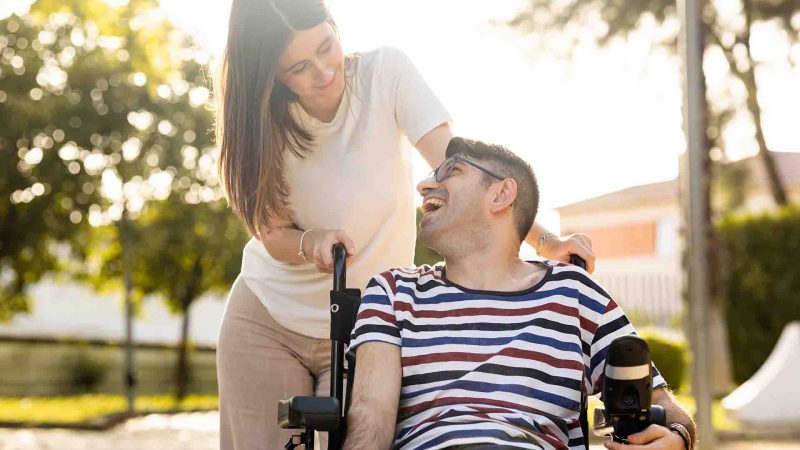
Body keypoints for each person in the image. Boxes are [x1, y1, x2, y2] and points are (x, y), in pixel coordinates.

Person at [214, 1, 596, 448]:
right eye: (299, 67)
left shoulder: (385, 74)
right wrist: (309, 241)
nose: (323, 71)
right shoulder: (260, 123)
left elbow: (462, 169)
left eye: (326, 45)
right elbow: (270, 232)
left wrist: (545, 241)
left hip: (368, 327)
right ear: (272, 76)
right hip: (268, 321)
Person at [344, 138, 696, 450]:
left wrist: (678, 436)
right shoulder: (393, 292)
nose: (423, 186)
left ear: (501, 194)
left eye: (449, 172)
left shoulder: (574, 294)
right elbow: (370, 416)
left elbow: (666, 410)